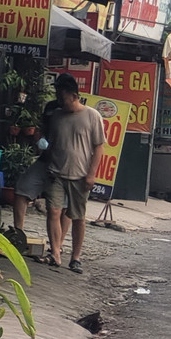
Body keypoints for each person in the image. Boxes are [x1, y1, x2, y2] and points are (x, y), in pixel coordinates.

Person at [42, 73, 106, 273]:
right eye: (58, 97)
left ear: (74, 96)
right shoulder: (56, 116)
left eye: (63, 97)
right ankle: (55, 252)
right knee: (53, 210)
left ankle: (76, 257)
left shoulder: (92, 116)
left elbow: (99, 147)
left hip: (80, 175)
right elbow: (51, 142)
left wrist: (91, 174)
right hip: (56, 172)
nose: (60, 101)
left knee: (78, 216)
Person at [9, 97, 61, 249]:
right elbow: (42, 132)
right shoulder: (50, 110)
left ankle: (57, 246)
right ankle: (18, 234)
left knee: (60, 207)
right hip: (45, 161)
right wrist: (41, 139)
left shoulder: (74, 117)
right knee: (22, 188)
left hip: (64, 166)